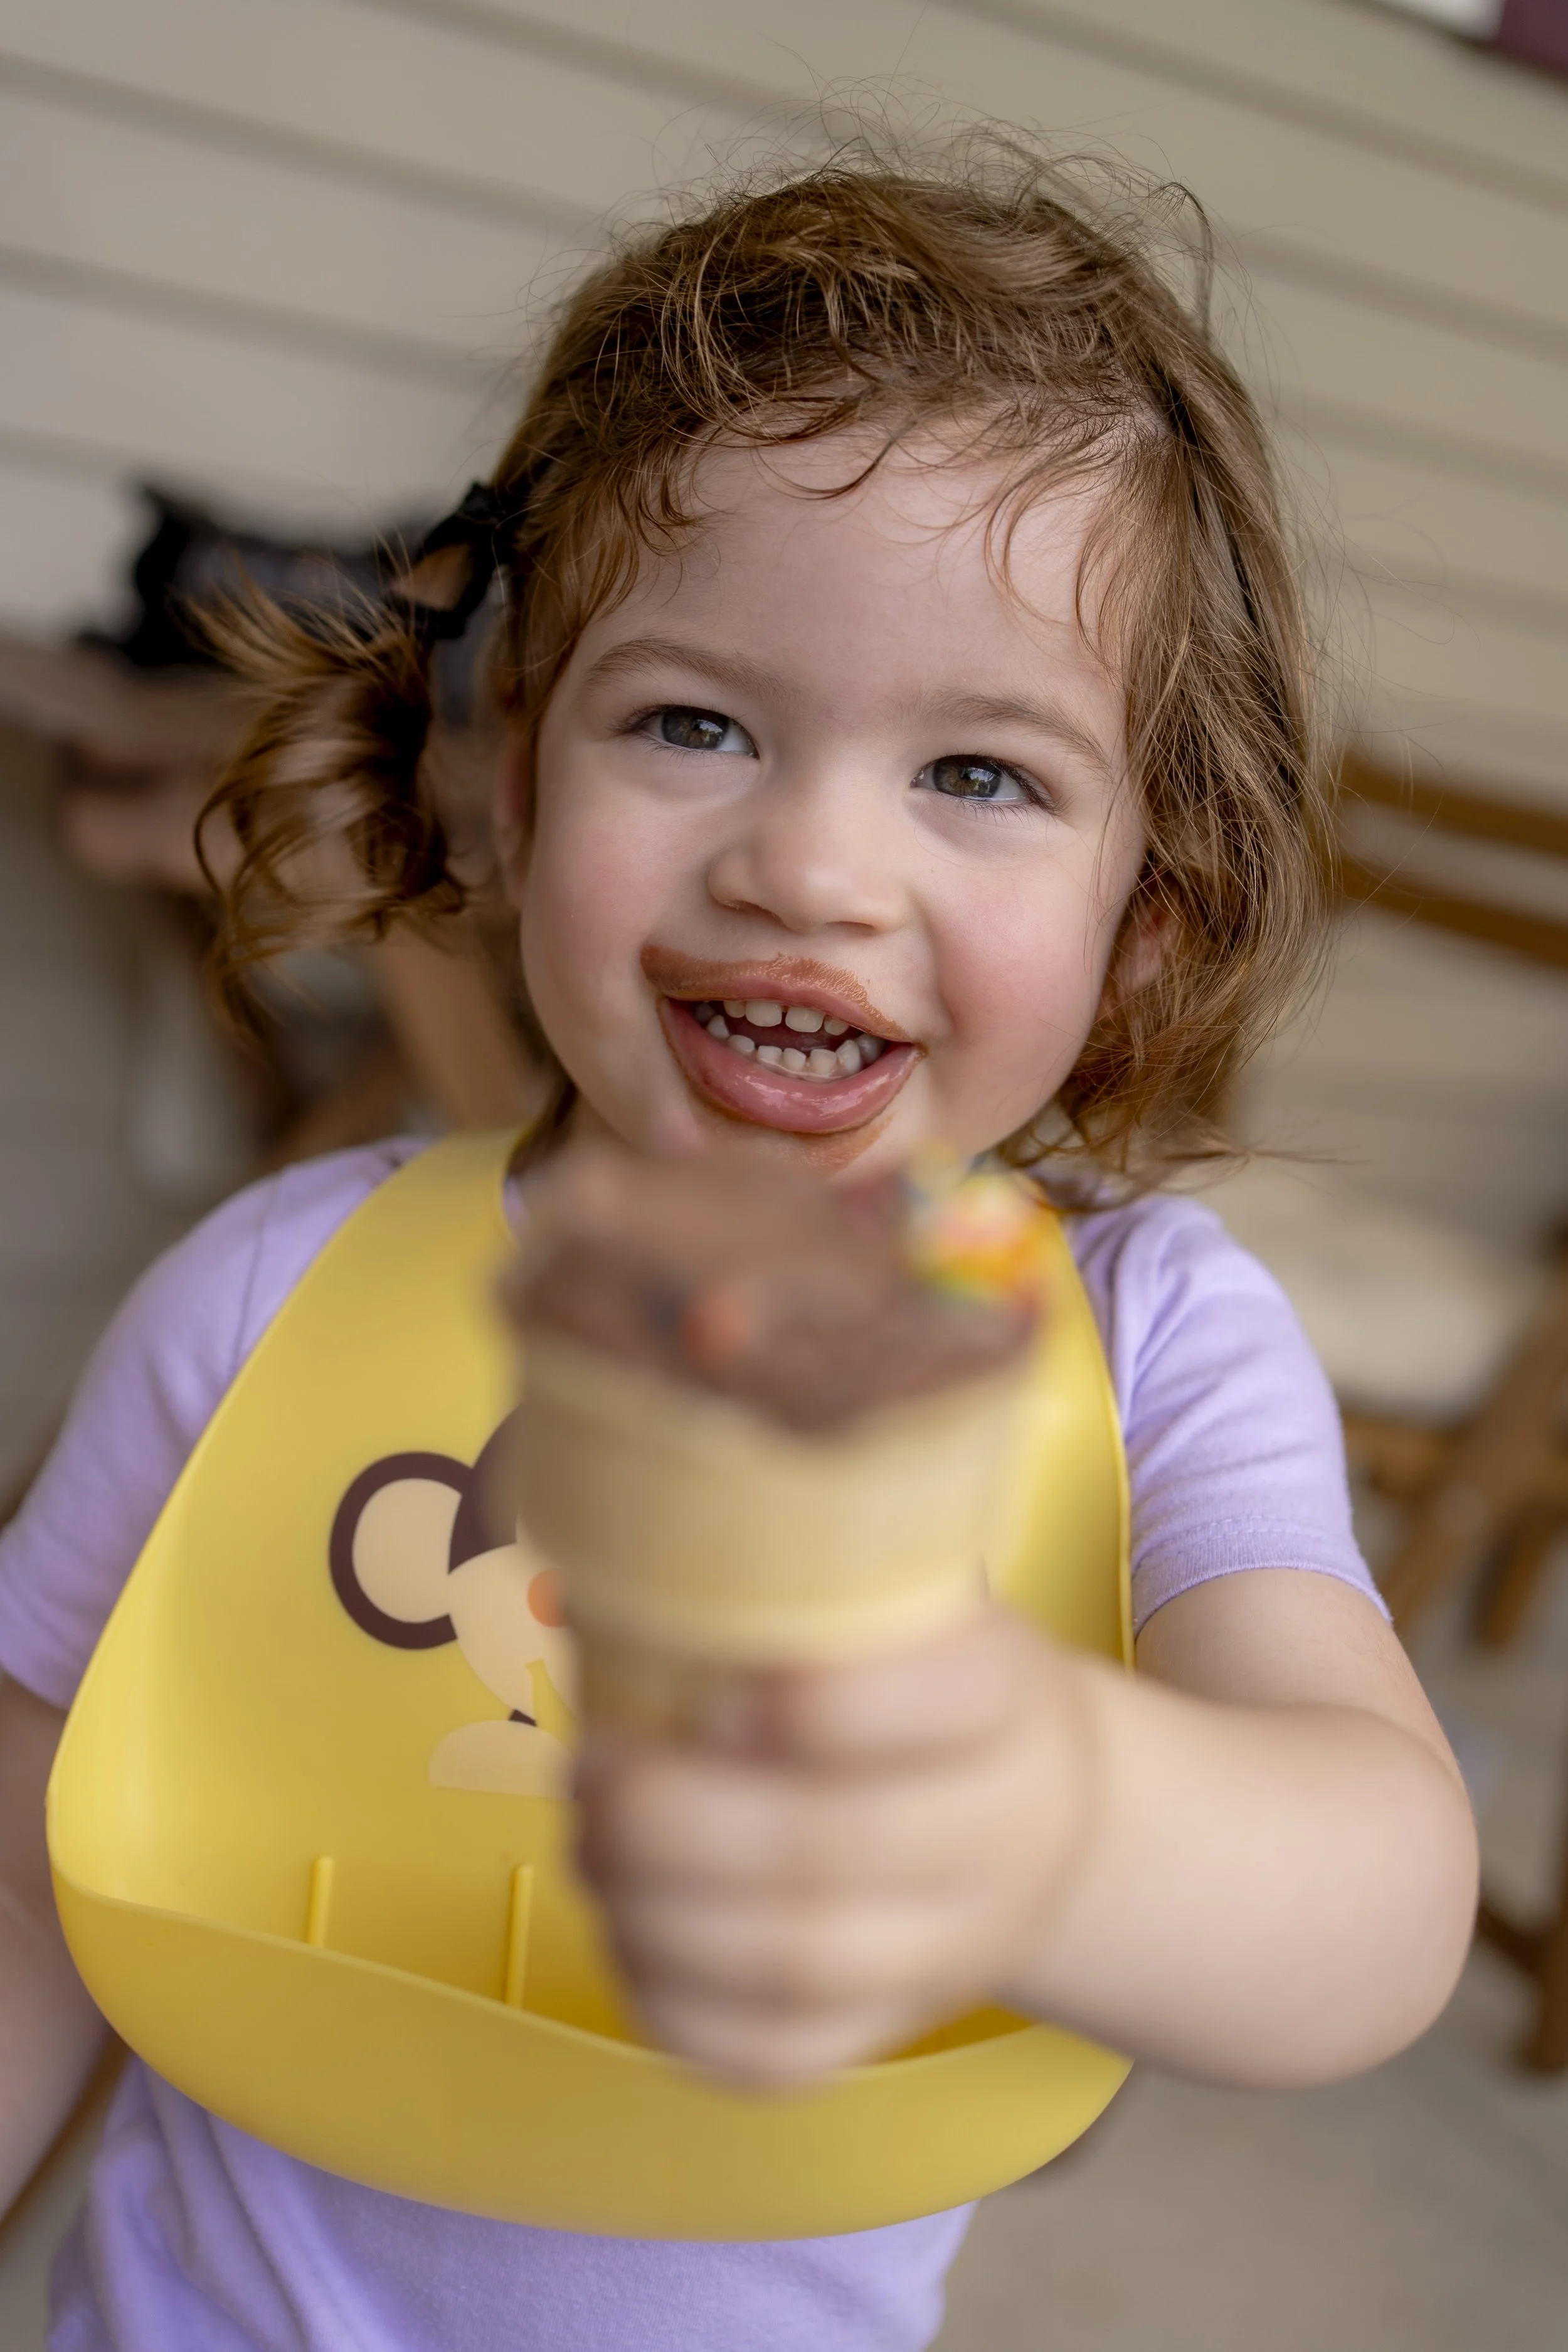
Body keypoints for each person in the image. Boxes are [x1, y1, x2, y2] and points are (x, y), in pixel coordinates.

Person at [0, 139, 1477, 2352]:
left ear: (1147, 905)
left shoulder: (1147, 1342)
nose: (806, 865)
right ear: (516, 792)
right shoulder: (269, 1293)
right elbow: (29, 1880)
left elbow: (1373, 1898)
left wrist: (1047, 1812)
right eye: (692, 723)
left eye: (978, 773)